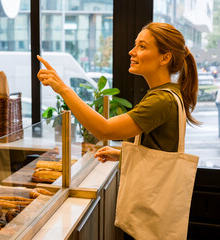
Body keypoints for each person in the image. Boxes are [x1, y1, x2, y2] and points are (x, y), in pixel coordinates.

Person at [37, 22, 200, 239]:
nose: (132, 52)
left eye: (142, 46)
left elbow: (103, 129)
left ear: (164, 58)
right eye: (135, 45)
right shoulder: (169, 93)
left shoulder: (161, 99)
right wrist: (121, 154)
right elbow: (161, 150)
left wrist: (63, 89)